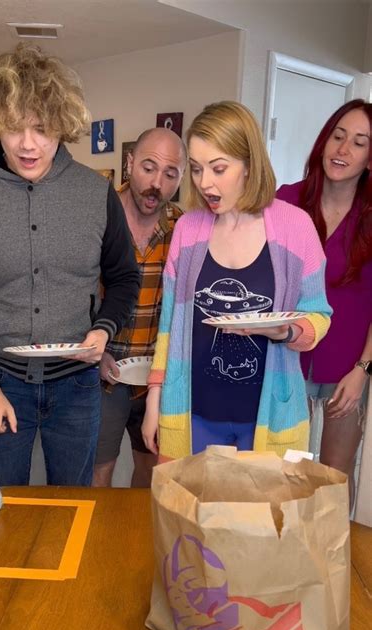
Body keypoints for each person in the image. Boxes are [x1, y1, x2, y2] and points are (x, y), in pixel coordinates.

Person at [0, 44, 140, 487]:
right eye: (14, 128)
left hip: (79, 386)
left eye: (42, 129)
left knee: (74, 506)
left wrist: (103, 330)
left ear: (62, 126)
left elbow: (125, 278)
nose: (28, 144)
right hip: (2, 383)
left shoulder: (96, 194)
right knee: (4, 508)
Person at [142, 101, 332, 461]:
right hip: (193, 413)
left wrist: (286, 331)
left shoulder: (296, 228)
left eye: (218, 168)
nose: (205, 183)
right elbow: (169, 326)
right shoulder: (187, 230)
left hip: (269, 417)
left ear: (249, 164)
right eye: (196, 169)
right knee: (188, 499)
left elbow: (319, 316)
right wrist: (155, 398)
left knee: (266, 501)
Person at [277, 100, 371, 502]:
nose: (343, 149)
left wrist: (363, 369)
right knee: (286, 475)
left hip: (347, 369)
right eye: (338, 136)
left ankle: (332, 546)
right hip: (286, 360)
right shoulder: (286, 201)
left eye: (359, 143)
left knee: (334, 478)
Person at [92, 128, 186, 487]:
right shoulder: (98, 218)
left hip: (157, 377)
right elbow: (75, 292)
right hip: (105, 374)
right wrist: (95, 352)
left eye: (170, 174)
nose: (156, 184)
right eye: (148, 168)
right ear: (129, 164)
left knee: (152, 473)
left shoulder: (182, 229)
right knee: (99, 472)